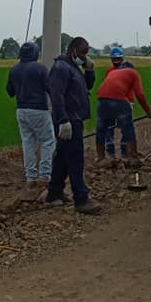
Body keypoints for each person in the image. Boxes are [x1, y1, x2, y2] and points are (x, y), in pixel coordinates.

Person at [47, 36, 101, 215]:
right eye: (83, 53)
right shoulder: (61, 68)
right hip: (69, 120)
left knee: (63, 157)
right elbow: (56, 95)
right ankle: (81, 199)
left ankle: (54, 193)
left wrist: (89, 70)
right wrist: (63, 120)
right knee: (76, 159)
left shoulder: (73, 67)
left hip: (74, 119)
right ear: (73, 51)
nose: (85, 56)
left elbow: (87, 86)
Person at [6, 41, 56, 193]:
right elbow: (50, 88)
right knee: (47, 141)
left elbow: (10, 92)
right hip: (39, 109)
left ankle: (31, 177)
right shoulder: (40, 68)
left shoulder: (14, 69)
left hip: (21, 110)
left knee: (28, 143)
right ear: (35, 53)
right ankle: (44, 175)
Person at [95, 60, 151, 164]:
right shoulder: (133, 73)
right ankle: (132, 158)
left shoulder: (113, 72)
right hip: (118, 98)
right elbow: (139, 94)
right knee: (128, 128)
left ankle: (101, 158)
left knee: (101, 128)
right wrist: (148, 111)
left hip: (101, 98)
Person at [103, 45, 136, 160]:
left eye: (119, 59)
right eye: (114, 59)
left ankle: (125, 153)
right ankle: (110, 153)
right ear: (111, 60)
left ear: (122, 58)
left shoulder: (129, 70)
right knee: (109, 128)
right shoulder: (109, 71)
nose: (117, 61)